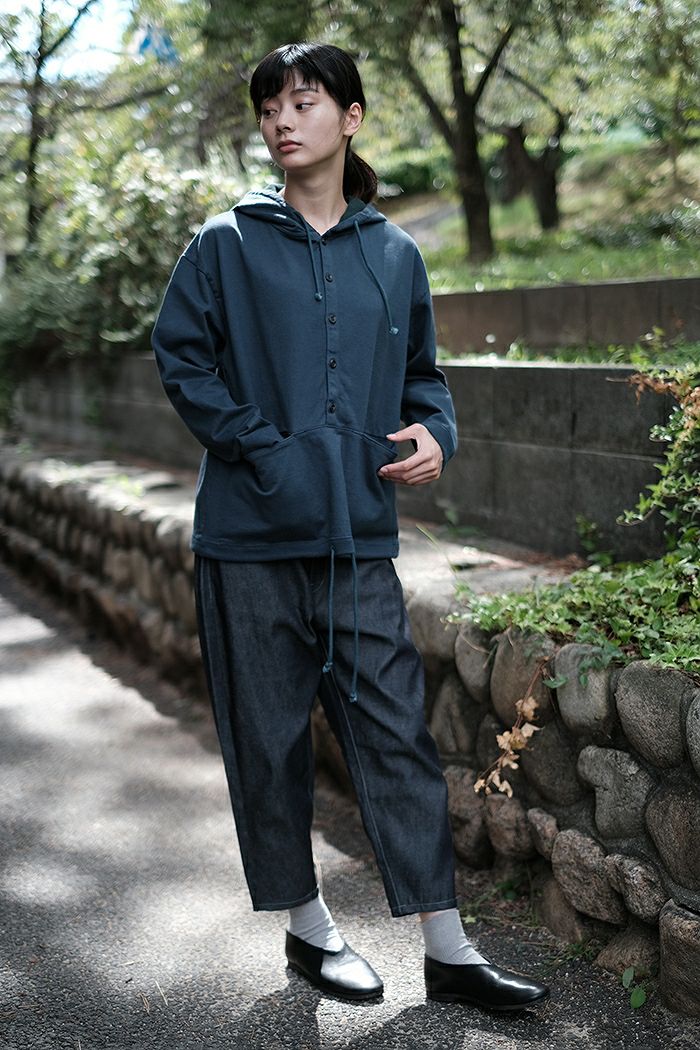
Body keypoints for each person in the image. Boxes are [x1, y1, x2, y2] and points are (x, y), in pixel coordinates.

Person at [151, 41, 549, 1013]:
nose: (283, 121)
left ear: (351, 117)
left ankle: (448, 950)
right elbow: (181, 357)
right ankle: (308, 929)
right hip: (248, 542)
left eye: (304, 101)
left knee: (397, 737)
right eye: (269, 108)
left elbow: (423, 379)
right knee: (269, 742)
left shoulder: (394, 253)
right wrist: (262, 447)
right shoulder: (225, 244)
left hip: (358, 539)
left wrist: (436, 435)